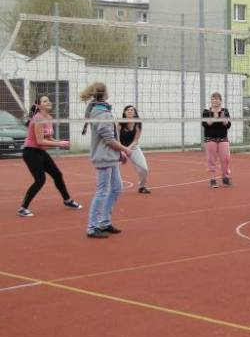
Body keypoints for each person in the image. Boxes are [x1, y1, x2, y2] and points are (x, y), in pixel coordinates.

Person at [80, 82, 131, 239]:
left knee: (117, 188)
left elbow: (111, 136)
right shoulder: (102, 113)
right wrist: (125, 149)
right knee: (102, 191)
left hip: (110, 156)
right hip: (104, 157)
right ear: (104, 94)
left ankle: (104, 222)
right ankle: (92, 227)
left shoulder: (102, 110)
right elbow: (108, 139)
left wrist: (119, 153)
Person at [17, 95, 82, 217]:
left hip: (41, 152)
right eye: (45, 101)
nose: (48, 102)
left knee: (57, 175)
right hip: (31, 152)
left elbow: (49, 138)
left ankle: (67, 200)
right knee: (40, 180)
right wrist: (59, 144)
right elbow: (40, 141)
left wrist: (61, 142)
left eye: (48, 100)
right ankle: (23, 208)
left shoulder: (48, 117)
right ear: (38, 106)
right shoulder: (37, 118)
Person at [202, 92, 233, 188]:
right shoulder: (206, 112)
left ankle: (225, 178)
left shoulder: (225, 111)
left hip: (223, 139)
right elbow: (205, 125)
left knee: (226, 159)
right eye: (213, 99)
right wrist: (214, 117)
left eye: (217, 99)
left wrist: (223, 119)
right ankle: (212, 179)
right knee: (211, 159)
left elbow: (228, 125)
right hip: (210, 139)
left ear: (220, 101)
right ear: (211, 101)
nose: (215, 101)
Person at [118, 105, 151, 194]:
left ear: (134, 113)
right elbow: (117, 139)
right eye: (127, 110)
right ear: (124, 112)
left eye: (132, 110)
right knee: (113, 168)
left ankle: (142, 187)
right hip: (119, 147)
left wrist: (127, 149)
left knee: (144, 168)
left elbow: (135, 140)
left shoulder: (138, 124)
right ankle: (113, 188)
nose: (129, 111)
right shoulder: (119, 123)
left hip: (133, 147)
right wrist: (122, 150)